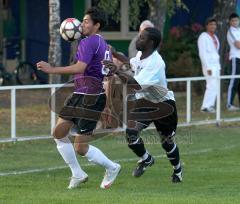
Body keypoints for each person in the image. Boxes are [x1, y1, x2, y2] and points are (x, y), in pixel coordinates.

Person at [37, 7, 121, 189]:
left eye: (86, 21)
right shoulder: (102, 43)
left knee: (80, 148)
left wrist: (52, 69)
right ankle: (77, 173)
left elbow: (79, 68)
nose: (82, 24)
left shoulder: (90, 42)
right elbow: (106, 74)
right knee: (58, 133)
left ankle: (112, 167)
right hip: (81, 94)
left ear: (96, 25)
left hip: (90, 98)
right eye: (82, 21)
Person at [103, 27, 183, 183]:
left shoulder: (156, 63)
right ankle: (147, 159)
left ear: (151, 42)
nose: (138, 39)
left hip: (163, 105)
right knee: (131, 133)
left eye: (141, 38)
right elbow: (131, 64)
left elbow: (135, 85)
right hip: (145, 102)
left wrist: (116, 72)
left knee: (166, 142)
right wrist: (114, 53)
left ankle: (178, 170)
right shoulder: (141, 54)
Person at [197, 17, 221, 113]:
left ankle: (210, 105)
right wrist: (207, 67)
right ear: (206, 26)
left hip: (216, 65)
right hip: (209, 66)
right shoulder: (203, 36)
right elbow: (202, 53)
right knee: (211, 85)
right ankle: (205, 107)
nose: (213, 26)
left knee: (215, 86)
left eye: (214, 24)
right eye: (211, 24)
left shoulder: (215, 37)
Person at [226, 13, 240, 111]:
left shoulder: (239, 30)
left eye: (237, 20)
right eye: (233, 20)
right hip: (236, 58)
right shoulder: (231, 31)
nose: (235, 22)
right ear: (230, 22)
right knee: (234, 81)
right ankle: (229, 104)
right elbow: (238, 45)